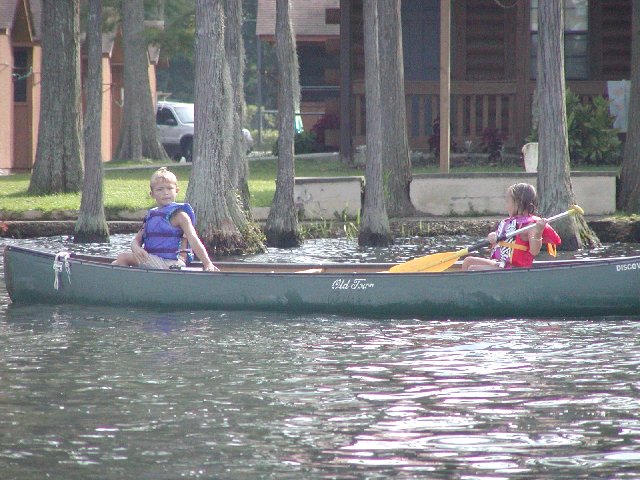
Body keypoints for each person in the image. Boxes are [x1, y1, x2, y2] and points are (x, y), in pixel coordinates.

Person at [113, 167, 219, 272]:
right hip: (153, 260)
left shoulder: (180, 216)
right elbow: (136, 240)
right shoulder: (151, 215)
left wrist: (207, 263)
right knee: (115, 263)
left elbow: (194, 239)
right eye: (160, 189)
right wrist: (136, 248)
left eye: (169, 188)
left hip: (172, 263)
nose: (165, 192)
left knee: (123, 258)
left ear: (177, 191)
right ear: (152, 194)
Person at [461, 183, 561, 271]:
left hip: (515, 269)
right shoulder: (510, 222)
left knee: (473, 268)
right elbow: (500, 238)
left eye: (508, 202)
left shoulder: (531, 225)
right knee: (468, 261)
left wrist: (539, 232)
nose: (506, 206)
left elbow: (534, 251)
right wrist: (492, 235)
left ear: (518, 203)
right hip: (502, 265)